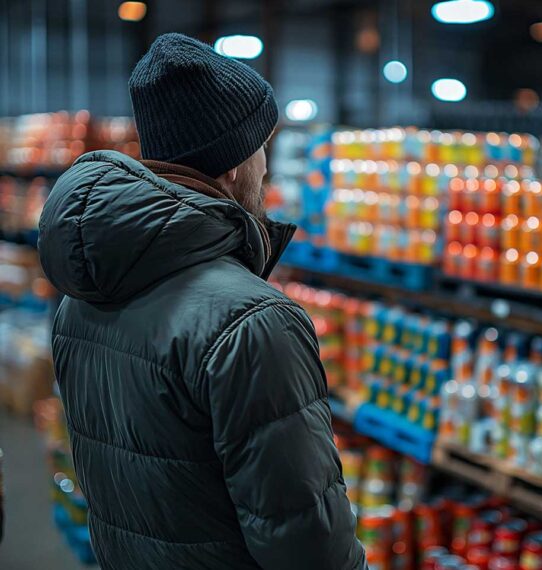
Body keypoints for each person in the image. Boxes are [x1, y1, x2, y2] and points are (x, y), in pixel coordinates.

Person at [38, 33, 365, 570]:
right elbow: (308, 545)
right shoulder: (252, 323)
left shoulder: (84, 293)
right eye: (262, 147)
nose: (268, 166)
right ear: (234, 164)